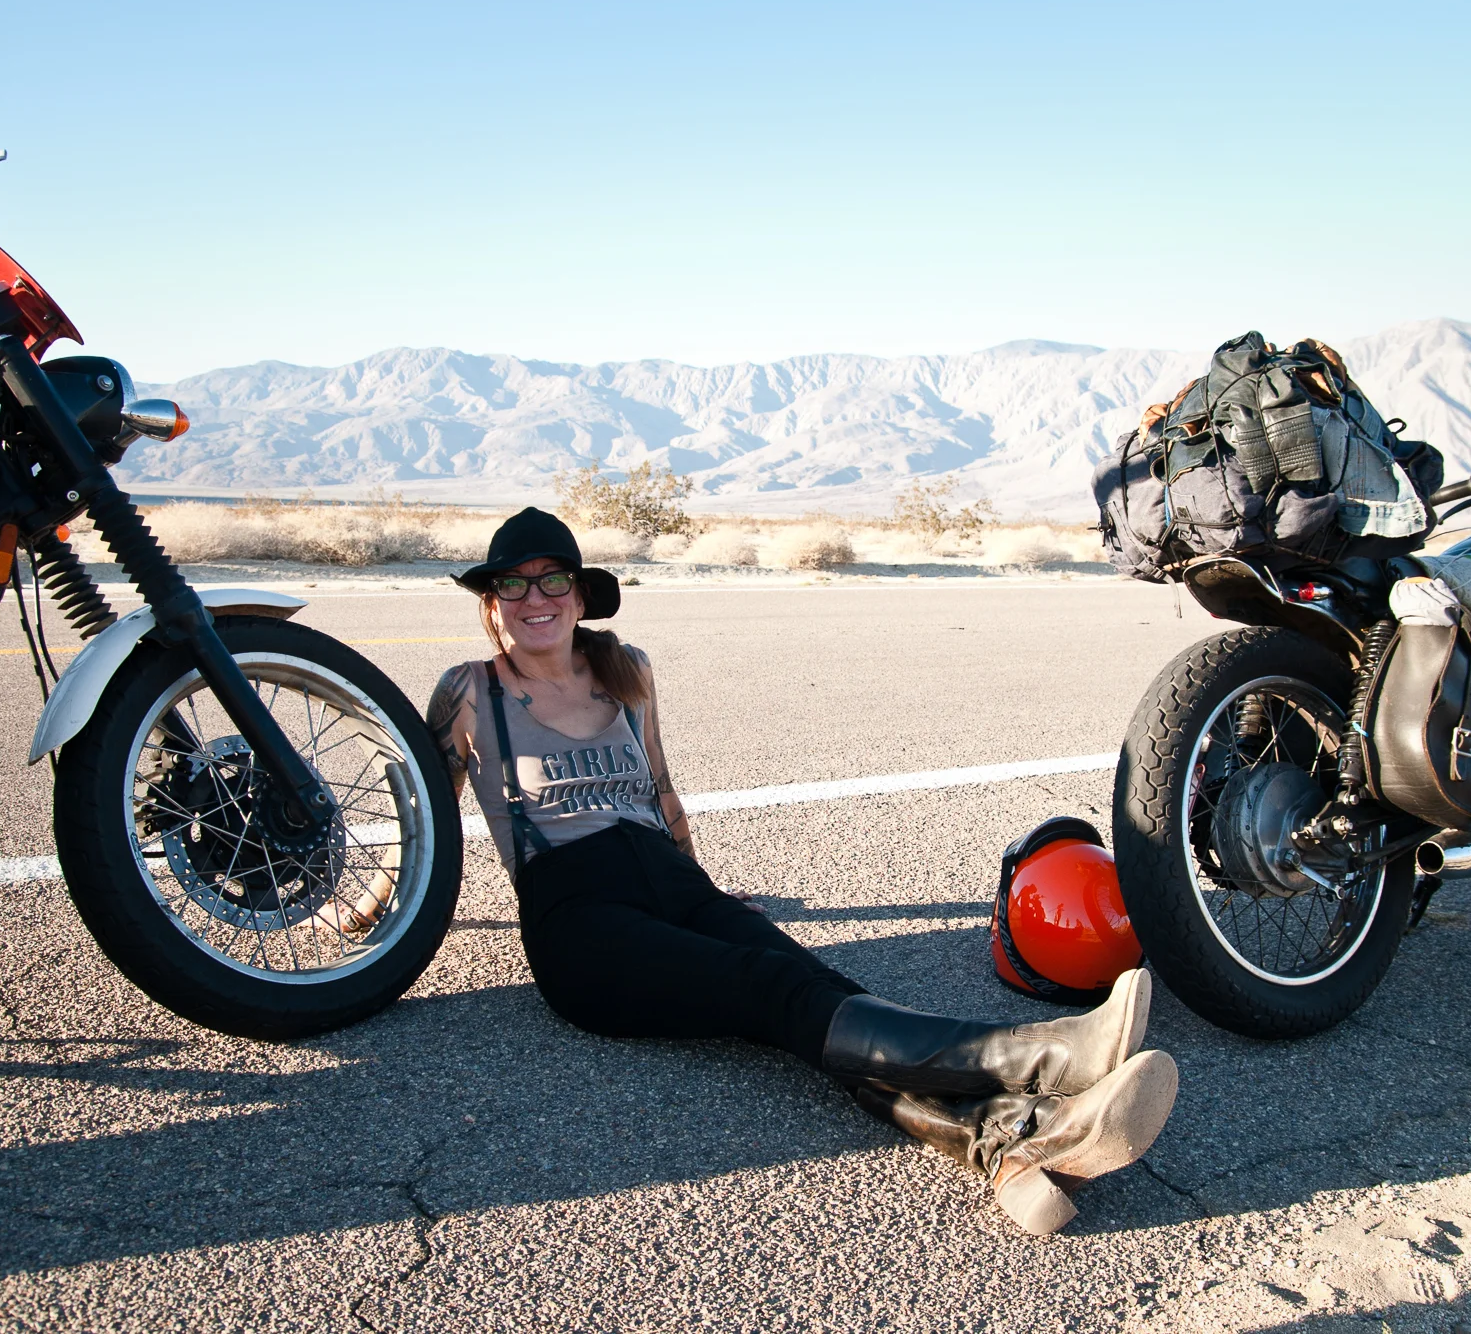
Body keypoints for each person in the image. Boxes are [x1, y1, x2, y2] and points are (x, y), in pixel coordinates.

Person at [425, 507, 1179, 1233]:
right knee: (772, 991)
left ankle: (1010, 1139)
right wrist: (372, 916)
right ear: (491, 603)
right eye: (512, 584)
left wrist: (706, 894)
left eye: (553, 578)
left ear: (581, 593)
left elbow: (660, 791)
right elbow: (426, 823)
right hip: (579, 915)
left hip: (669, 881)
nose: (535, 599)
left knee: (821, 992)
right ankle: (1046, 1054)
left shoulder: (626, 670)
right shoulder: (470, 692)